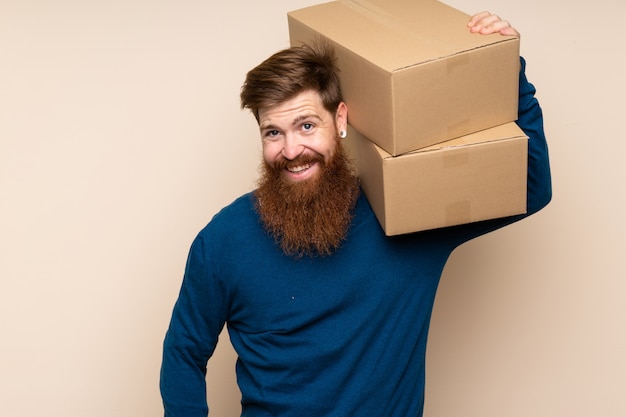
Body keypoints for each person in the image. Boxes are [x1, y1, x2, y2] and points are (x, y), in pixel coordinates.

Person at [160, 11, 552, 417]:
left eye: (307, 125)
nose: (291, 150)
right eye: (273, 133)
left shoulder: (407, 214)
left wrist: (508, 68)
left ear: (340, 119)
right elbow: (184, 353)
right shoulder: (224, 240)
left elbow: (530, 186)